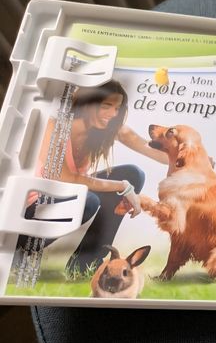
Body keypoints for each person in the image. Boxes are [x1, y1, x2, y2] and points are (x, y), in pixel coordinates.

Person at [23, 80, 167, 274]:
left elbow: (152, 150)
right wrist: (123, 187)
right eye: (106, 106)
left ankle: (85, 265)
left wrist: (192, 155)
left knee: (133, 174)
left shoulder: (108, 129)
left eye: (117, 108)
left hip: (70, 195)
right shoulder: (55, 126)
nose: (113, 114)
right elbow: (66, 178)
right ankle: (22, 251)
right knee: (88, 200)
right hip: (36, 205)